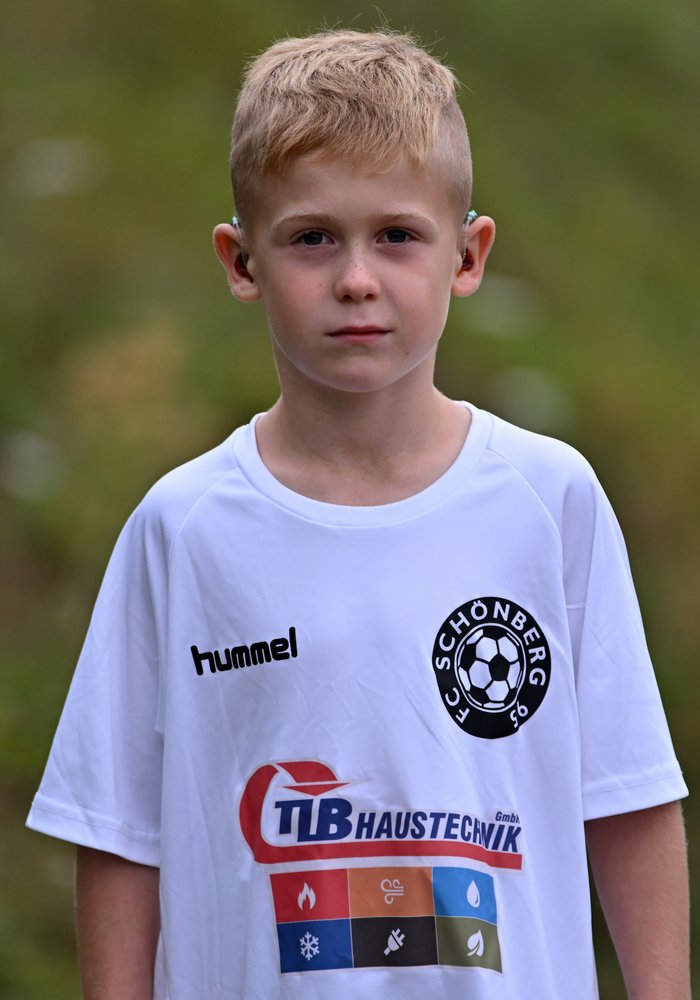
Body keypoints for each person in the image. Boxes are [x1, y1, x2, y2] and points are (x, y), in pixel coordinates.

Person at [27, 29, 689, 1000]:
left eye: (396, 236)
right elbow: (119, 832)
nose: (356, 279)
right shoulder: (184, 528)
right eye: (311, 239)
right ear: (241, 261)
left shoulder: (549, 500)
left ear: (468, 254)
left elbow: (626, 798)